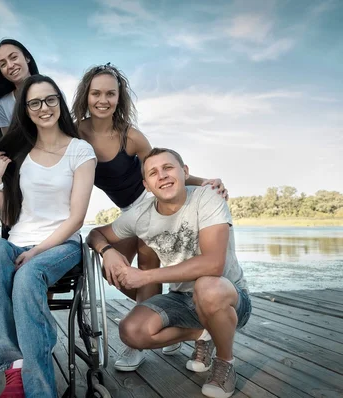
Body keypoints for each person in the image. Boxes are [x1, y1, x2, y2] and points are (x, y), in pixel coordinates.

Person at [72, 63, 228, 371]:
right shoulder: (75, 133)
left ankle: (136, 345)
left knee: (146, 265)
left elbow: (160, 172)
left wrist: (207, 181)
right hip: (127, 212)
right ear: (86, 96)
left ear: (119, 98)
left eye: (111, 94)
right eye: (96, 93)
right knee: (113, 270)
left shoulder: (132, 137)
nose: (103, 100)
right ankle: (167, 317)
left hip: (148, 203)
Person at [87, 148, 251, 398]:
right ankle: (204, 333)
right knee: (131, 331)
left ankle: (224, 362)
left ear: (185, 172)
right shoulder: (141, 214)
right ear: (147, 185)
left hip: (228, 296)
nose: (161, 176)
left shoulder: (207, 198)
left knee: (208, 286)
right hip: (182, 299)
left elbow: (213, 265)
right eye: (153, 172)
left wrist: (145, 276)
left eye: (168, 168)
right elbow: (95, 233)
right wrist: (107, 251)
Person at [0, 75, 96, 398]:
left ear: (59, 102)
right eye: (34, 102)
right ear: (25, 110)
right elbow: (10, 217)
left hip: (61, 245)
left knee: (28, 274)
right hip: (19, 239)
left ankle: (38, 388)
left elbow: (76, 218)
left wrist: (37, 251)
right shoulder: (21, 152)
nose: (43, 108)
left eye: (50, 99)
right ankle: (15, 365)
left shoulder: (80, 151)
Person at [0, 38, 39, 136]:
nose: (10, 65)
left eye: (14, 57)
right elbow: (9, 144)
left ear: (27, 57)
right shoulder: (3, 104)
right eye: (3, 64)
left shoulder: (54, 93)